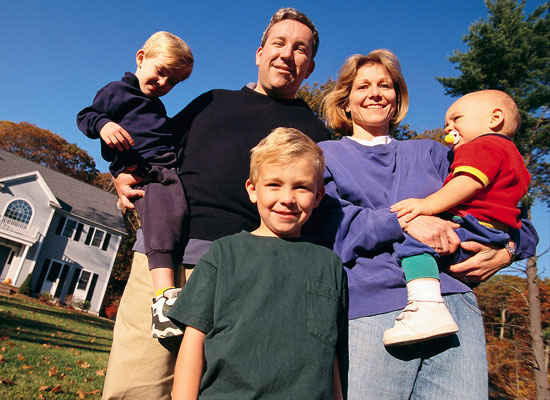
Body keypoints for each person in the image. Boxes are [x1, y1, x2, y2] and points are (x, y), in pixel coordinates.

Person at [102, 8, 331, 400]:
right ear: (259, 53)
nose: (286, 54)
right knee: (134, 386)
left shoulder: (315, 136)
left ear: (309, 67)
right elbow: (149, 147)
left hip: (245, 276)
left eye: (300, 49)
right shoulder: (211, 102)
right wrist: (118, 174)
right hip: (166, 261)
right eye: (278, 43)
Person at [305, 50, 538, 399]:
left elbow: (498, 205)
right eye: (362, 86)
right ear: (346, 100)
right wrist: (408, 220)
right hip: (372, 311)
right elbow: (331, 230)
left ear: (397, 98)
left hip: (454, 307)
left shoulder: (433, 153)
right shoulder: (324, 156)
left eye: (385, 85)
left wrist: (509, 249)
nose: (375, 93)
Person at [169, 128, 346, 400]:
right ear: (252, 190)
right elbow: (193, 341)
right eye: (274, 184)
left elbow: (331, 354)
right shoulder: (224, 254)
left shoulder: (330, 265)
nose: (287, 198)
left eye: (301, 187)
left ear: (319, 196)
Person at [383, 90, 530, 346]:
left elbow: (468, 182)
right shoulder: (512, 154)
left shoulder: (484, 146)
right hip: (493, 233)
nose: (448, 129)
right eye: (446, 125)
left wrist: (427, 204)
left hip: (472, 226)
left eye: (456, 119)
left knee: (416, 243)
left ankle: (426, 308)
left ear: (494, 118)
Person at [76, 31, 194, 339]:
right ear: (141, 59)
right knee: (160, 220)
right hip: (143, 171)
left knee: (179, 215)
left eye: (173, 82)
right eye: (161, 73)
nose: (163, 84)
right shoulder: (118, 91)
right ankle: (164, 299)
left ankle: (178, 285)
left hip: (167, 168)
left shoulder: (156, 106)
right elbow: (86, 115)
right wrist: (104, 125)